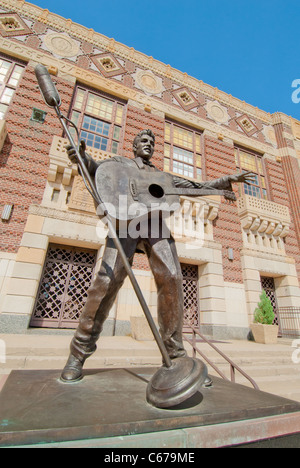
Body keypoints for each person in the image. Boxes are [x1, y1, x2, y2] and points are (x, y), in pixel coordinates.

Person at [61, 129, 255, 382]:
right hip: (125, 223)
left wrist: (225, 181)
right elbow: (99, 171)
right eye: (144, 140)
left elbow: (196, 186)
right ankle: (78, 354)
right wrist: (83, 159)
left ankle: (176, 358)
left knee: (172, 278)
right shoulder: (120, 163)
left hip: (155, 225)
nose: (149, 144)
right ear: (133, 145)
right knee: (107, 282)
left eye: (152, 142)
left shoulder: (161, 176)